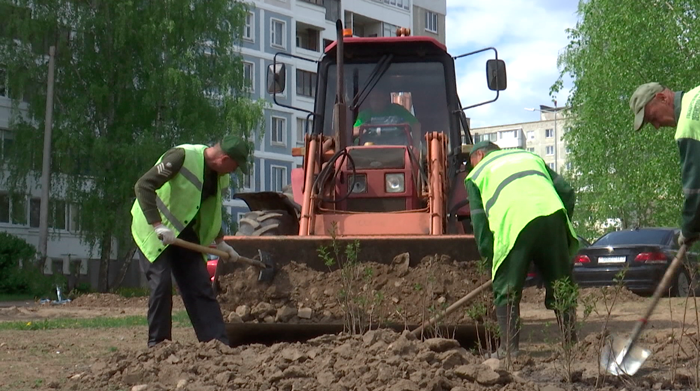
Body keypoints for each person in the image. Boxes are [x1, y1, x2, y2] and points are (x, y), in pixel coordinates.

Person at [130, 135, 250, 347]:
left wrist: (220, 241)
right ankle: (159, 346)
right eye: (234, 166)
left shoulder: (219, 175)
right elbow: (143, 185)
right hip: (154, 228)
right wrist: (157, 224)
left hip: (184, 232)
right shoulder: (182, 157)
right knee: (161, 284)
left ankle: (217, 345)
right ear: (224, 159)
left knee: (200, 284)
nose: (234, 171)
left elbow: (208, 210)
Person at [465, 141, 580, 359]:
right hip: (553, 215)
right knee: (561, 283)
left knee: (506, 289)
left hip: (515, 224)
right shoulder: (530, 158)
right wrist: (561, 227)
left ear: (479, 154)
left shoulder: (477, 174)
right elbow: (567, 191)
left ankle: (509, 350)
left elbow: (480, 225)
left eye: (471, 163)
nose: (471, 168)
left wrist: (492, 262)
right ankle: (571, 344)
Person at [629, 82, 700, 247]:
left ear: (662, 98)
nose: (657, 126)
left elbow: (696, 190)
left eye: (653, 118)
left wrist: (688, 231)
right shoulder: (696, 93)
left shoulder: (688, 125)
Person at [353, 85, 420, 145]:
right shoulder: (364, 115)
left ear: (386, 99)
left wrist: (416, 148)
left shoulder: (397, 110)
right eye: (373, 99)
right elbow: (354, 132)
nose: (376, 102)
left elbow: (416, 125)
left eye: (379, 98)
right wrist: (363, 129)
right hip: (370, 154)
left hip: (398, 153)